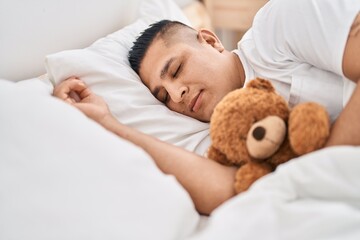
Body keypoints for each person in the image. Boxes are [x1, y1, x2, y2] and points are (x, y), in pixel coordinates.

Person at [53, 0, 360, 215]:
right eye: (163, 98)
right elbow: (226, 192)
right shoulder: (223, 134)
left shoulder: (278, 27)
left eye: (175, 70)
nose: (177, 95)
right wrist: (108, 123)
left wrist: (320, 171)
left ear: (211, 41)